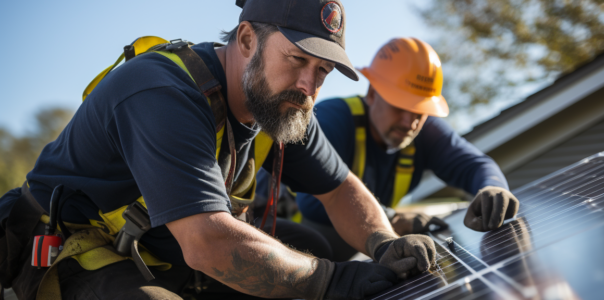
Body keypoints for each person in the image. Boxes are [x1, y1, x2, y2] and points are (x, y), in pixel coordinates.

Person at [0, 2, 439, 300]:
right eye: (297, 59)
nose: (309, 85)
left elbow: (341, 188)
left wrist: (384, 243)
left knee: (305, 243)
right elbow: (208, 244)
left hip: (159, 247)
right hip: (73, 250)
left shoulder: (283, 105)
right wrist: (330, 280)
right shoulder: (161, 92)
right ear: (247, 40)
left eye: (321, 70)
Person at [262, 38, 520, 261]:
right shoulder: (332, 119)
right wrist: (393, 218)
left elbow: (475, 166)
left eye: (420, 112)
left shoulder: (424, 133)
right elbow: (314, 201)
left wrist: (493, 187)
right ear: (373, 93)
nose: (410, 122)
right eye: (400, 107)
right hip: (270, 237)